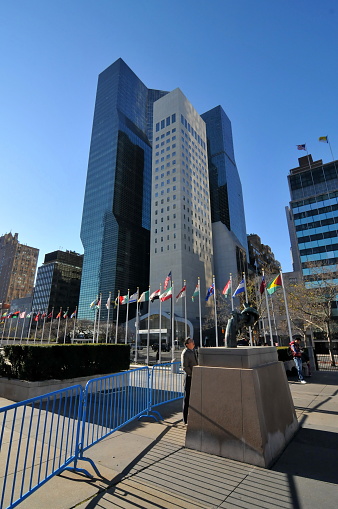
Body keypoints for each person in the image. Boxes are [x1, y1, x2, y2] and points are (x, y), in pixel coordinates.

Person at [181, 337, 198, 424]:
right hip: (189, 377)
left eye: (193, 340)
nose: (193, 342)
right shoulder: (185, 353)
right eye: (191, 341)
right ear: (187, 344)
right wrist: (191, 374)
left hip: (195, 377)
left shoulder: (194, 351)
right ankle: (185, 419)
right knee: (187, 398)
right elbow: (185, 366)